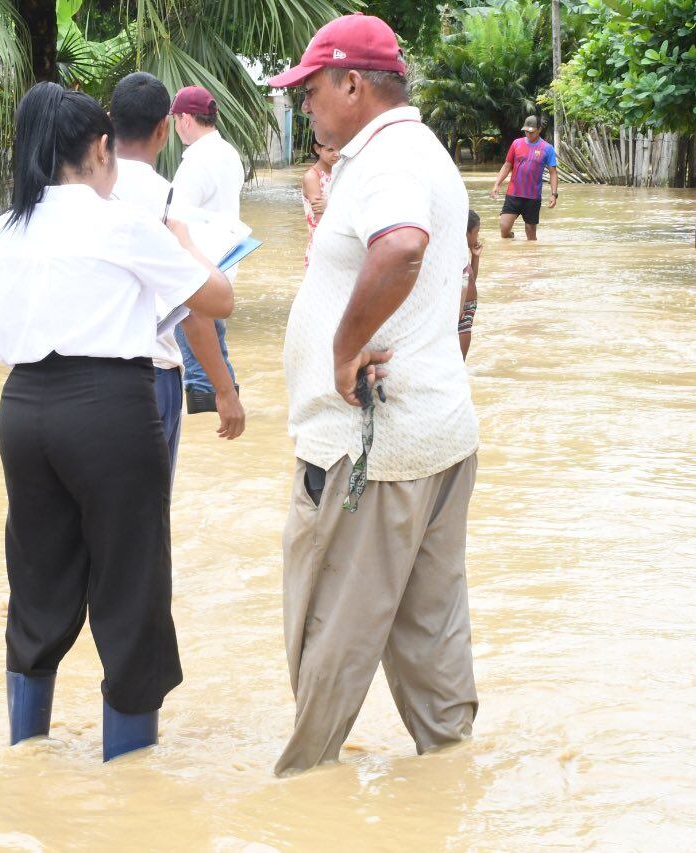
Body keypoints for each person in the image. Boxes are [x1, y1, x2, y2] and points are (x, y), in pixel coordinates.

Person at [0, 82, 233, 762]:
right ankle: (128, 773)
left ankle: (25, 752)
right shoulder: (122, 221)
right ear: (97, 148)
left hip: (23, 411)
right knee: (130, 584)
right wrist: (180, 237)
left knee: (36, 580)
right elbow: (219, 297)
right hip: (109, 408)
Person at [266, 13, 480, 776]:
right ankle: (449, 778)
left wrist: (344, 346)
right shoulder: (421, 152)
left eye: (312, 89)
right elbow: (448, 266)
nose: (305, 105)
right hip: (437, 435)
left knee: (328, 635)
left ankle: (303, 796)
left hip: (372, 453)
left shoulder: (386, 159)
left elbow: (402, 246)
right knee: (431, 637)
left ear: (354, 84)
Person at [109, 71, 245, 471]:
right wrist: (226, 392)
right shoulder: (168, 194)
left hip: (89, 373)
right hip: (157, 361)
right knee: (148, 518)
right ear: (165, 128)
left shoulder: (81, 193)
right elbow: (198, 309)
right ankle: (210, 392)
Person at [170, 85, 245, 415]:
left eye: (175, 120)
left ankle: (212, 410)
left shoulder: (196, 161)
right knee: (215, 345)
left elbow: (175, 220)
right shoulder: (228, 153)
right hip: (225, 264)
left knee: (196, 353)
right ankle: (229, 400)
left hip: (198, 267)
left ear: (186, 119)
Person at [490, 116, 559, 240]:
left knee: (531, 236)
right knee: (504, 229)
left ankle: (532, 257)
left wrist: (554, 194)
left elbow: (553, 173)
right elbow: (507, 165)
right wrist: (497, 184)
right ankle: (512, 238)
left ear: (540, 129)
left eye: (531, 132)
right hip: (513, 194)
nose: (528, 134)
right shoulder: (516, 143)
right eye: (526, 131)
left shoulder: (547, 148)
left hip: (533, 197)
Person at [302, 138, 339, 267]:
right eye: (330, 150)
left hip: (339, 244)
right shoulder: (313, 177)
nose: (337, 154)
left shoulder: (340, 172)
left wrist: (330, 205)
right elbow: (320, 220)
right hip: (322, 247)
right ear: (317, 149)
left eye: (339, 148)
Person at [460, 210, 482, 359]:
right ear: (466, 232)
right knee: (459, 361)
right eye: (476, 232)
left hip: (465, 309)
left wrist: (475, 257)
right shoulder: (457, 252)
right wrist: (460, 308)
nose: (477, 237)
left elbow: (471, 279)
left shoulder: (462, 251)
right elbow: (462, 283)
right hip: (461, 312)